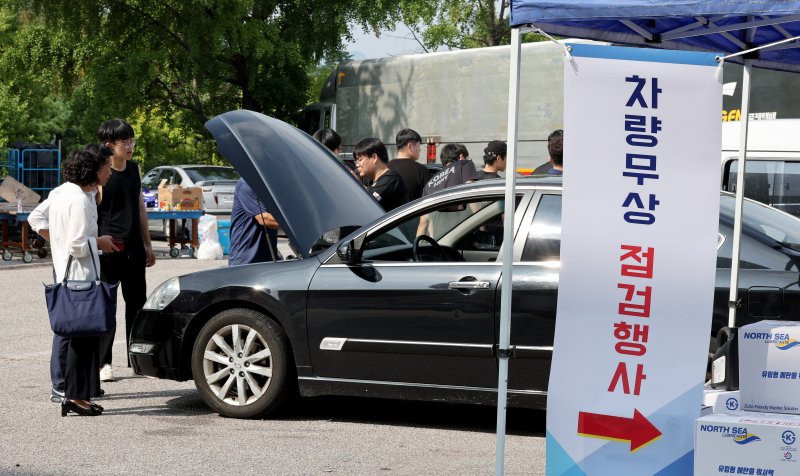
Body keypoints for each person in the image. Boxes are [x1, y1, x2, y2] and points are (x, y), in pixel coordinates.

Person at [30, 149, 118, 416]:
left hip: (68, 271)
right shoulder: (78, 199)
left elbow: (36, 219)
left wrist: (56, 242)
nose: (110, 172)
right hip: (80, 274)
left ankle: (78, 394)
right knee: (81, 338)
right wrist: (100, 243)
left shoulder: (62, 193)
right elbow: (77, 244)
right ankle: (75, 397)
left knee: (82, 337)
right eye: (106, 167)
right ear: (93, 170)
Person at [96, 118, 156, 381]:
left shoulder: (134, 169)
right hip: (107, 250)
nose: (130, 146)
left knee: (137, 305)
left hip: (133, 248)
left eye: (132, 140)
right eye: (124, 142)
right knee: (105, 307)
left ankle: (135, 359)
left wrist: (147, 243)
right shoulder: (100, 173)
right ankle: (103, 362)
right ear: (110, 145)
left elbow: (140, 206)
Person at [417, 143, 481, 236]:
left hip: (439, 241)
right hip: (461, 235)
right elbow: (471, 194)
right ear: (461, 156)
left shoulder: (429, 184)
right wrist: (482, 227)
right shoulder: (464, 164)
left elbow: (423, 223)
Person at [228, 178, 280, 265]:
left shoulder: (271, 184)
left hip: (268, 256)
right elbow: (264, 219)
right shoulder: (248, 183)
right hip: (245, 258)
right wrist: (298, 229)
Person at [354, 137, 409, 212]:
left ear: (374, 157)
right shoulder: (370, 178)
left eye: (360, 160)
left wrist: (354, 182)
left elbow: (366, 201)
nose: (357, 165)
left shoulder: (392, 178)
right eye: (356, 161)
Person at [388, 128, 431, 201]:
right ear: (410, 146)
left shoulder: (385, 168)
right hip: (414, 212)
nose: (419, 150)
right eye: (418, 146)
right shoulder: (421, 170)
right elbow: (430, 200)